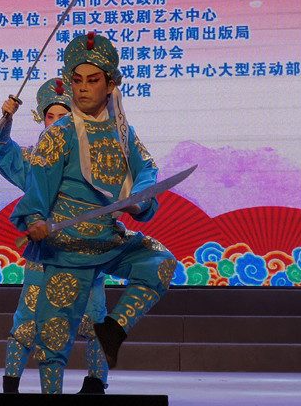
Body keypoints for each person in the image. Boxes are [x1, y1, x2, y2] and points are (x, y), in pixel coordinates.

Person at [12, 32, 177, 394]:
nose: (83, 88)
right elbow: (38, 185)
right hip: (67, 246)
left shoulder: (122, 131)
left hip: (108, 239)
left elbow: (147, 169)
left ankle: (113, 329)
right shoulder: (59, 134)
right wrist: (35, 220)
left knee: (161, 262)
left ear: (110, 84)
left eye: (93, 80)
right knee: (53, 341)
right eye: (77, 81)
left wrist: (138, 199)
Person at [0, 78, 108, 394]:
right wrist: (5, 120)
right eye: (50, 117)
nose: (55, 123)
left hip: (85, 250)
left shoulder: (95, 159)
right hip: (45, 254)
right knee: (27, 319)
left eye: (63, 116)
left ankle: (96, 383)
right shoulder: (34, 160)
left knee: (94, 319)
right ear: (42, 120)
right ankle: (11, 386)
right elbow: (4, 154)